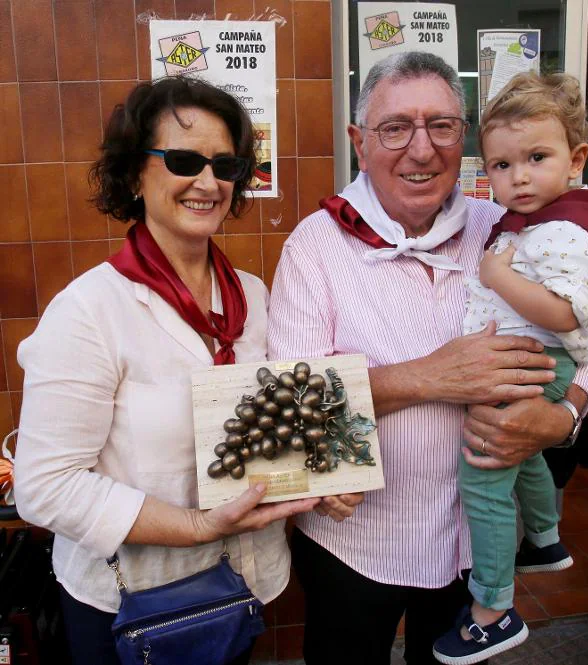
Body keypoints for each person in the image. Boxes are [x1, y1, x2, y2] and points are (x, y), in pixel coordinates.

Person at [267, 51, 588, 665]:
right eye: (395, 128)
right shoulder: (314, 246)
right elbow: (292, 398)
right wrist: (428, 378)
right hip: (356, 543)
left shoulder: (506, 228)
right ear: (359, 142)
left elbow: (582, 355)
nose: (421, 150)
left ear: (463, 139)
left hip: (472, 550)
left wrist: (563, 419)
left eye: (442, 126)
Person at [12, 77, 360, 665]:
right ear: (133, 174)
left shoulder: (251, 295)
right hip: (135, 609)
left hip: (242, 584)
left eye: (224, 164)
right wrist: (200, 525)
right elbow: (45, 487)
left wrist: (320, 475)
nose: (208, 181)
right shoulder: (89, 311)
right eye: (183, 159)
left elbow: (271, 423)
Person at [432, 72, 588, 664]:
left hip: (535, 363)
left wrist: (499, 278)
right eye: (500, 165)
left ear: (576, 159)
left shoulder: (569, 229)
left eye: (536, 158)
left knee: (485, 472)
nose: (517, 177)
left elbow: (572, 314)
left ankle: (493, 609)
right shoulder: (533, 223)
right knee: (526, 454)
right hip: (526, 360)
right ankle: (543, 539)